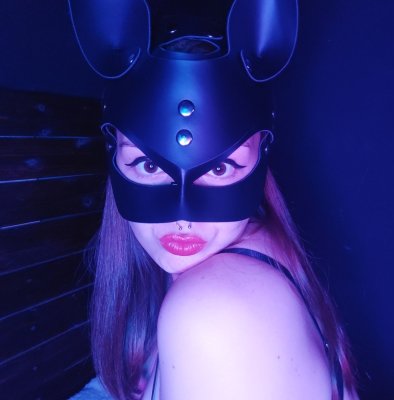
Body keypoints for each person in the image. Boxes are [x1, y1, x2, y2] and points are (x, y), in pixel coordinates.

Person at [69, 0, 359, 399]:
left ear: (260, 156)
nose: (183, 219)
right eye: (149, 166)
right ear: (114, 157)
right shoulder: (256, 247)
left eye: (220, 168)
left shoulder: (212, 313)